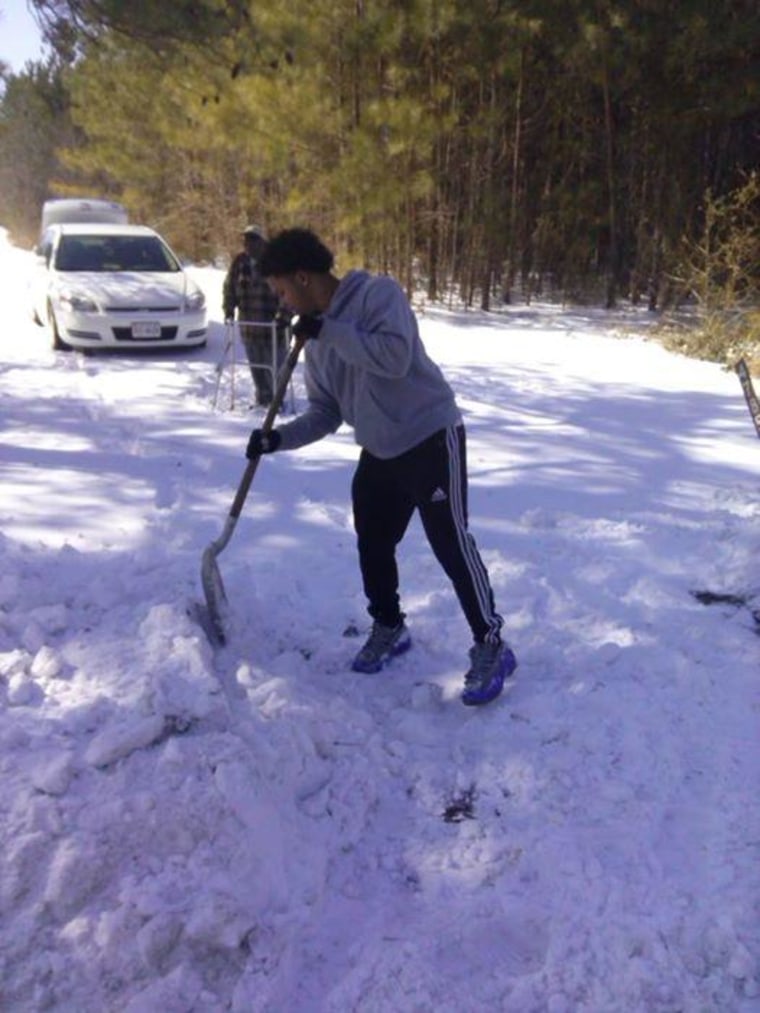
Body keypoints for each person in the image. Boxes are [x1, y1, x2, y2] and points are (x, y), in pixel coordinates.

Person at [247, 227, 517, 706]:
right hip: (379, 450)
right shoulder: (316, 339)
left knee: (451, 543)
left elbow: (393, 359)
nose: (283, 303)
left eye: (283, 291)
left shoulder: (378, 295)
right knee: (372, 541)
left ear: (304, 278)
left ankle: (491, 643)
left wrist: (330, 330)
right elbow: (326, 412)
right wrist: (278, 438)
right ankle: (389, 625)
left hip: (430, 438)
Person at [222, 224, 285, 407]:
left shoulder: (277, 263)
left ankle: (277, 402)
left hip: (274, 329)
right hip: (249, 327)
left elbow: (288, 293)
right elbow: (229, 287)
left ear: (263, 242)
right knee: (256, 366)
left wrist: (283, 316)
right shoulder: (240, 262)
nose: (248, 244)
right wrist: (228, 308)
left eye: (253, 240)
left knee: (275, 368)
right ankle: (262, 398)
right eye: (246, 240)